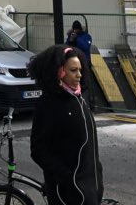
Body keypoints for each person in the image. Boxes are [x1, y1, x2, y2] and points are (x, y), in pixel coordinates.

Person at [29, 44, 103, 205]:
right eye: (73, 70)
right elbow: (38, 150)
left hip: (90, 187)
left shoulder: (80, 99)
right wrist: (66, 178)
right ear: (59, 72)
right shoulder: (48, 104)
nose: (79, 75)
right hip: (66, 192)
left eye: (80, 70)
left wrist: (98, 170)